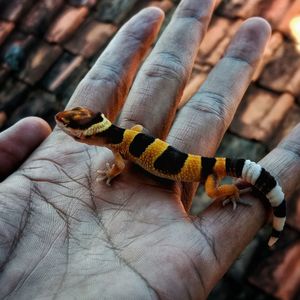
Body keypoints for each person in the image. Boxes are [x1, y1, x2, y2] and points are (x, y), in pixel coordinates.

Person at [0, 1, 299, 298]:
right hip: (200, 162)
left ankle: (238, 193)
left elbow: (119, 165)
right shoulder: (126, 137)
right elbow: (140, 134)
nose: (73, 134)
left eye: (76, 133)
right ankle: (264, 202)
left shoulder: (120, 148)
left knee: (212, 192)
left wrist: (110, 174)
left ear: (92, 136)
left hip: (202, 170)